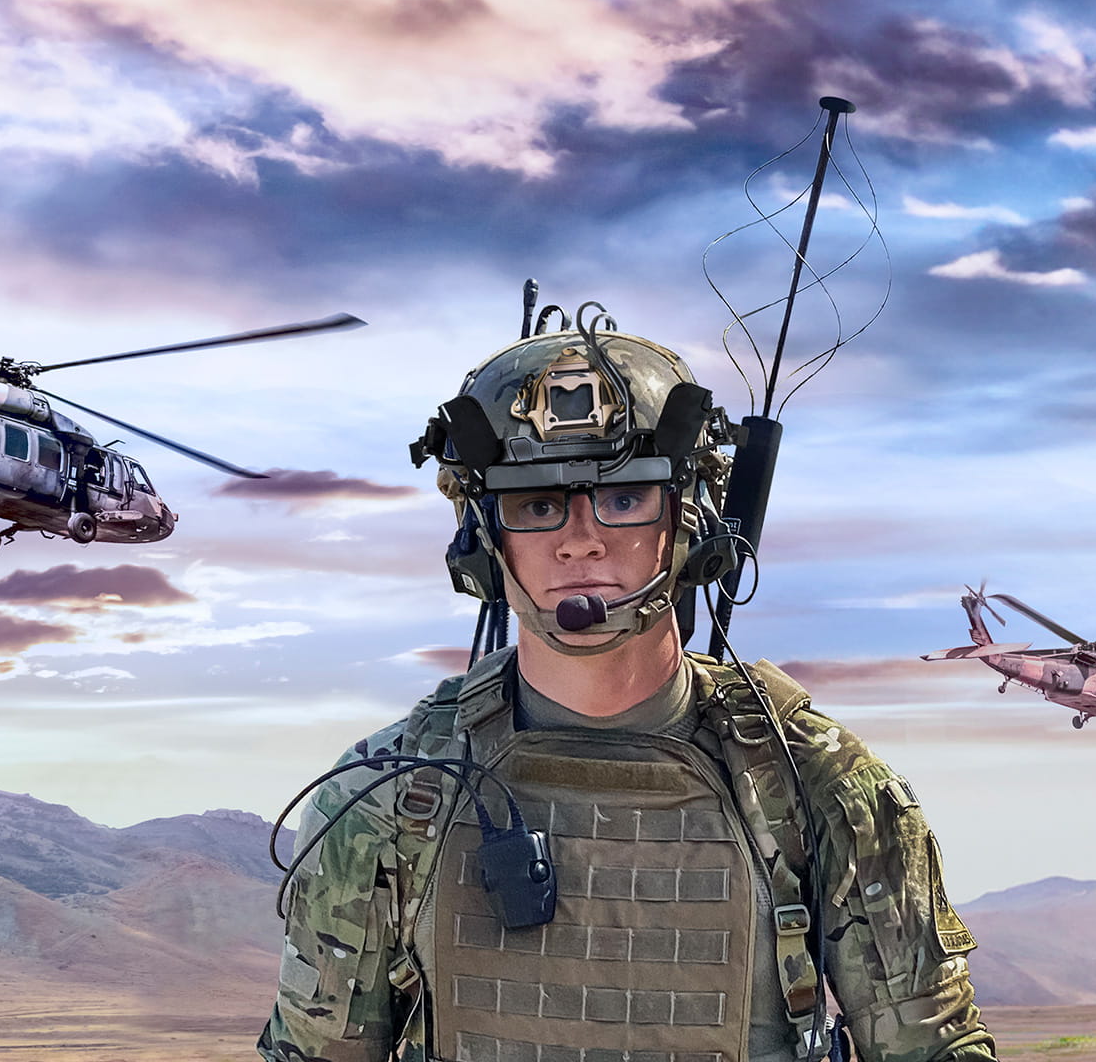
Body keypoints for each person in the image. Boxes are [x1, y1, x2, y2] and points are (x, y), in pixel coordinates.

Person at [257, 323, 997, 1062]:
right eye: (536, 504)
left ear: (692, 518)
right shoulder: (390, 798)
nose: (581, 540)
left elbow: (935, 1047)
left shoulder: (815, 781)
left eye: (624, 497)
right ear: (484, 539)